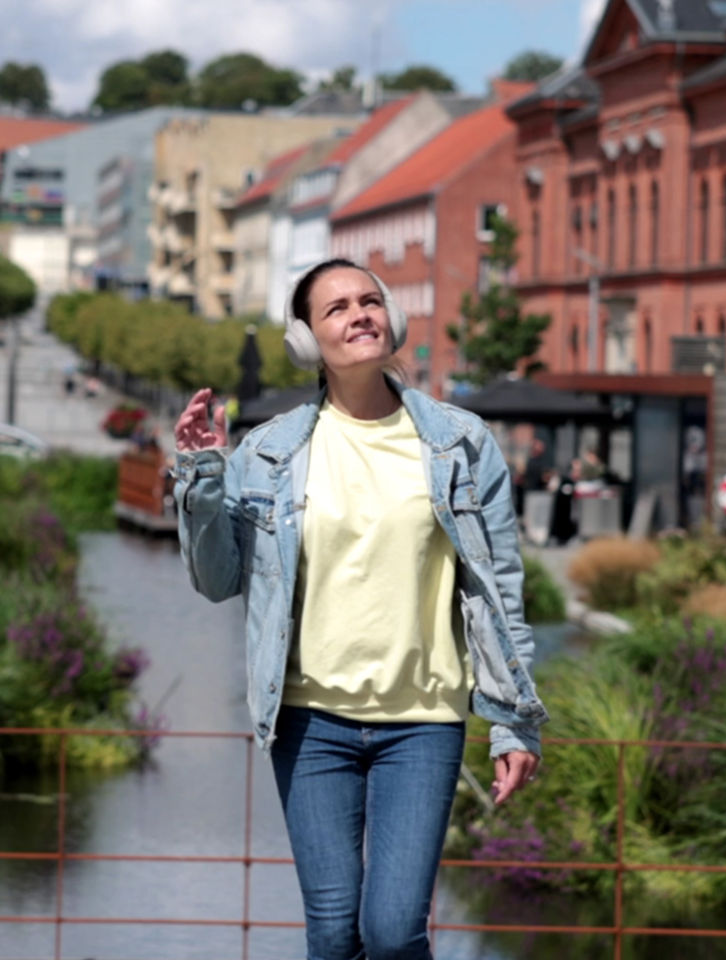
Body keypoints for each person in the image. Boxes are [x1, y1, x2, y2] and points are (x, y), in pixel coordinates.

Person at [173, 258, 547, 960]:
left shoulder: (461, 443)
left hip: (423, 722)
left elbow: (501, 590)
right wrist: (201, 476)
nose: (360, 315)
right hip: (308, 723)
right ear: (307, 339)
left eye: (370, 301)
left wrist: (513, 723)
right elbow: (217, 580)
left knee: (393, 931)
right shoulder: (268, 453)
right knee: (333, 931)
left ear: (393, 319)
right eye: (337, 308)